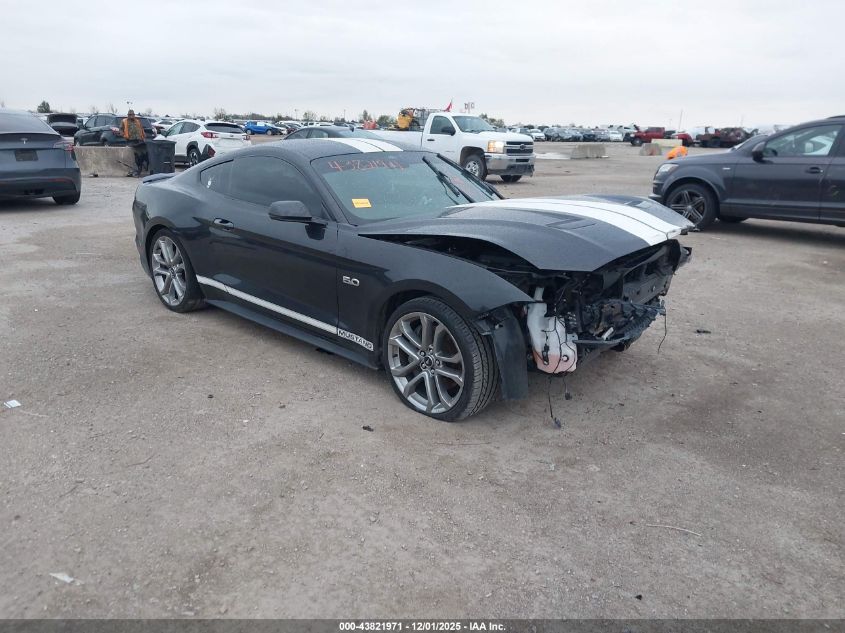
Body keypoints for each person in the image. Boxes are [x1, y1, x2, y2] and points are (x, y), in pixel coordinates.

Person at [121, 110, 148, 176]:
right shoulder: (124, 121)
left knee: (144, 153)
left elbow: (141, 129)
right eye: (130, 115)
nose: (131, 116)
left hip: (139, 140)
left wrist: (144, 136)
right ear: (128, 115)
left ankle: (144, 165)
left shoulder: (137, 121)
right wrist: (124, 135)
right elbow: (121, 129)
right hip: (130, 140)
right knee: (137, 154)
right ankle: (139, 169)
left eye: (132, 114)